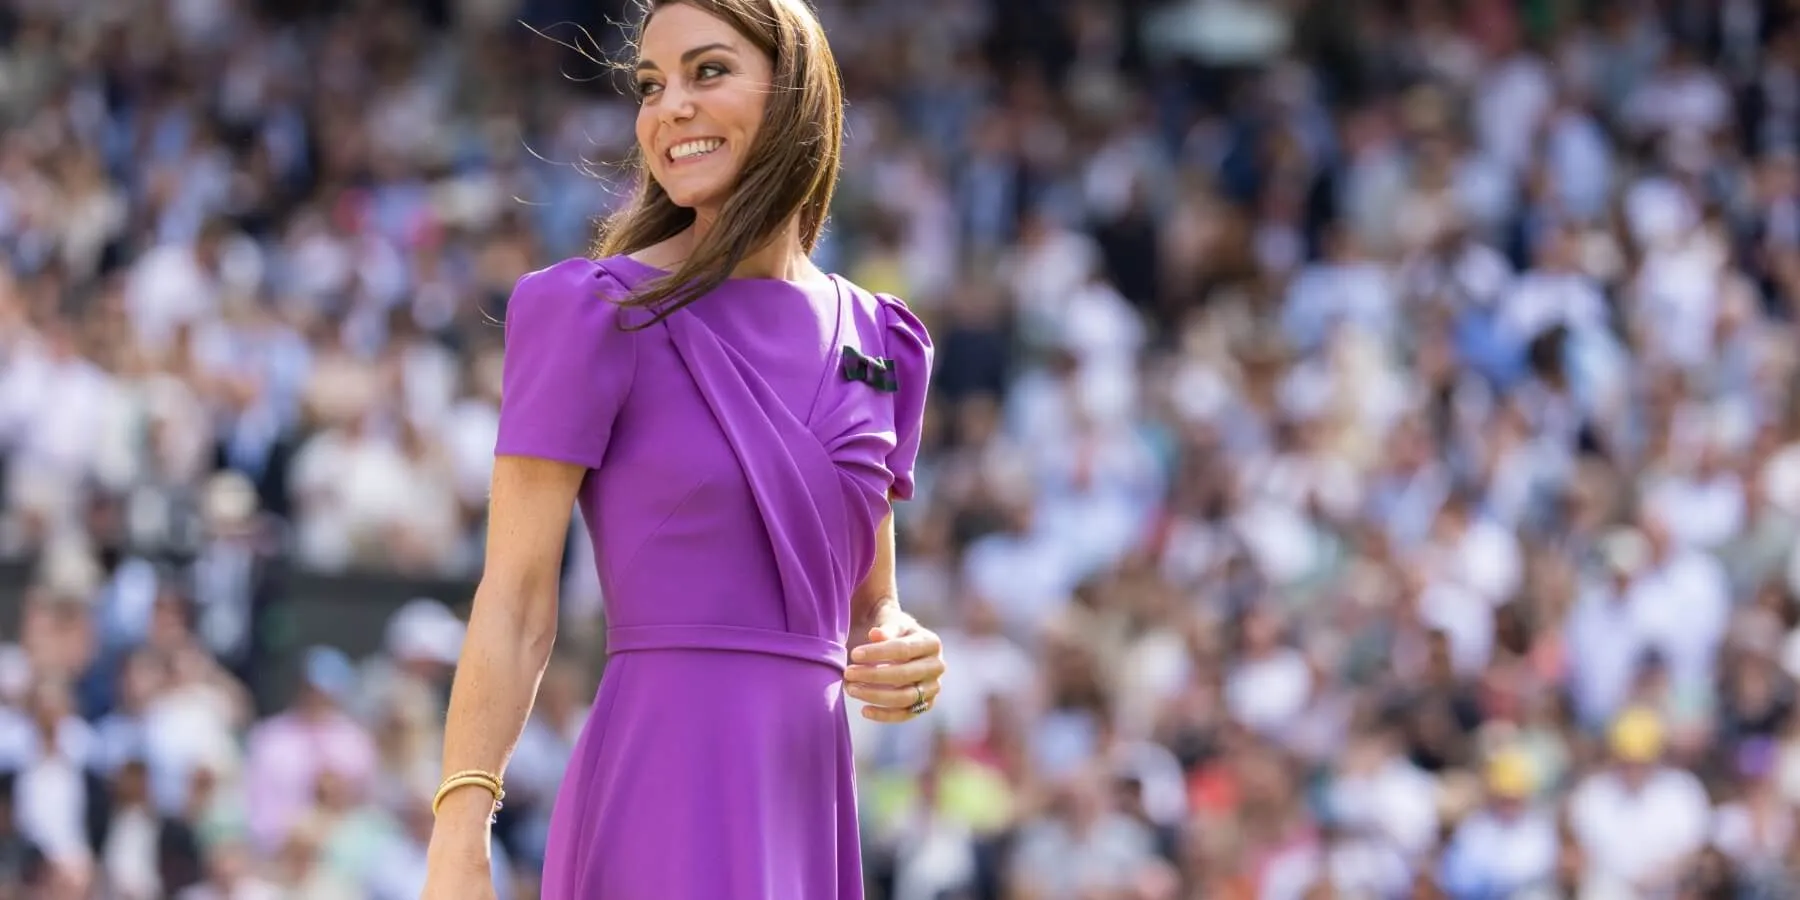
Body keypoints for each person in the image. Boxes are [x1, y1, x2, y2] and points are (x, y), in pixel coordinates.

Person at [418, 1, 947, 898]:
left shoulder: (887, 339)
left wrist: (904, 654)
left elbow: (871, 606)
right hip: (655, 781)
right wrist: (461, 822)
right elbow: (514, 600)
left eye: (708, 72)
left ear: (798, 95)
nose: (670, 108)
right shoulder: (588, 311)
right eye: (651, 86)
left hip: (805, 797)